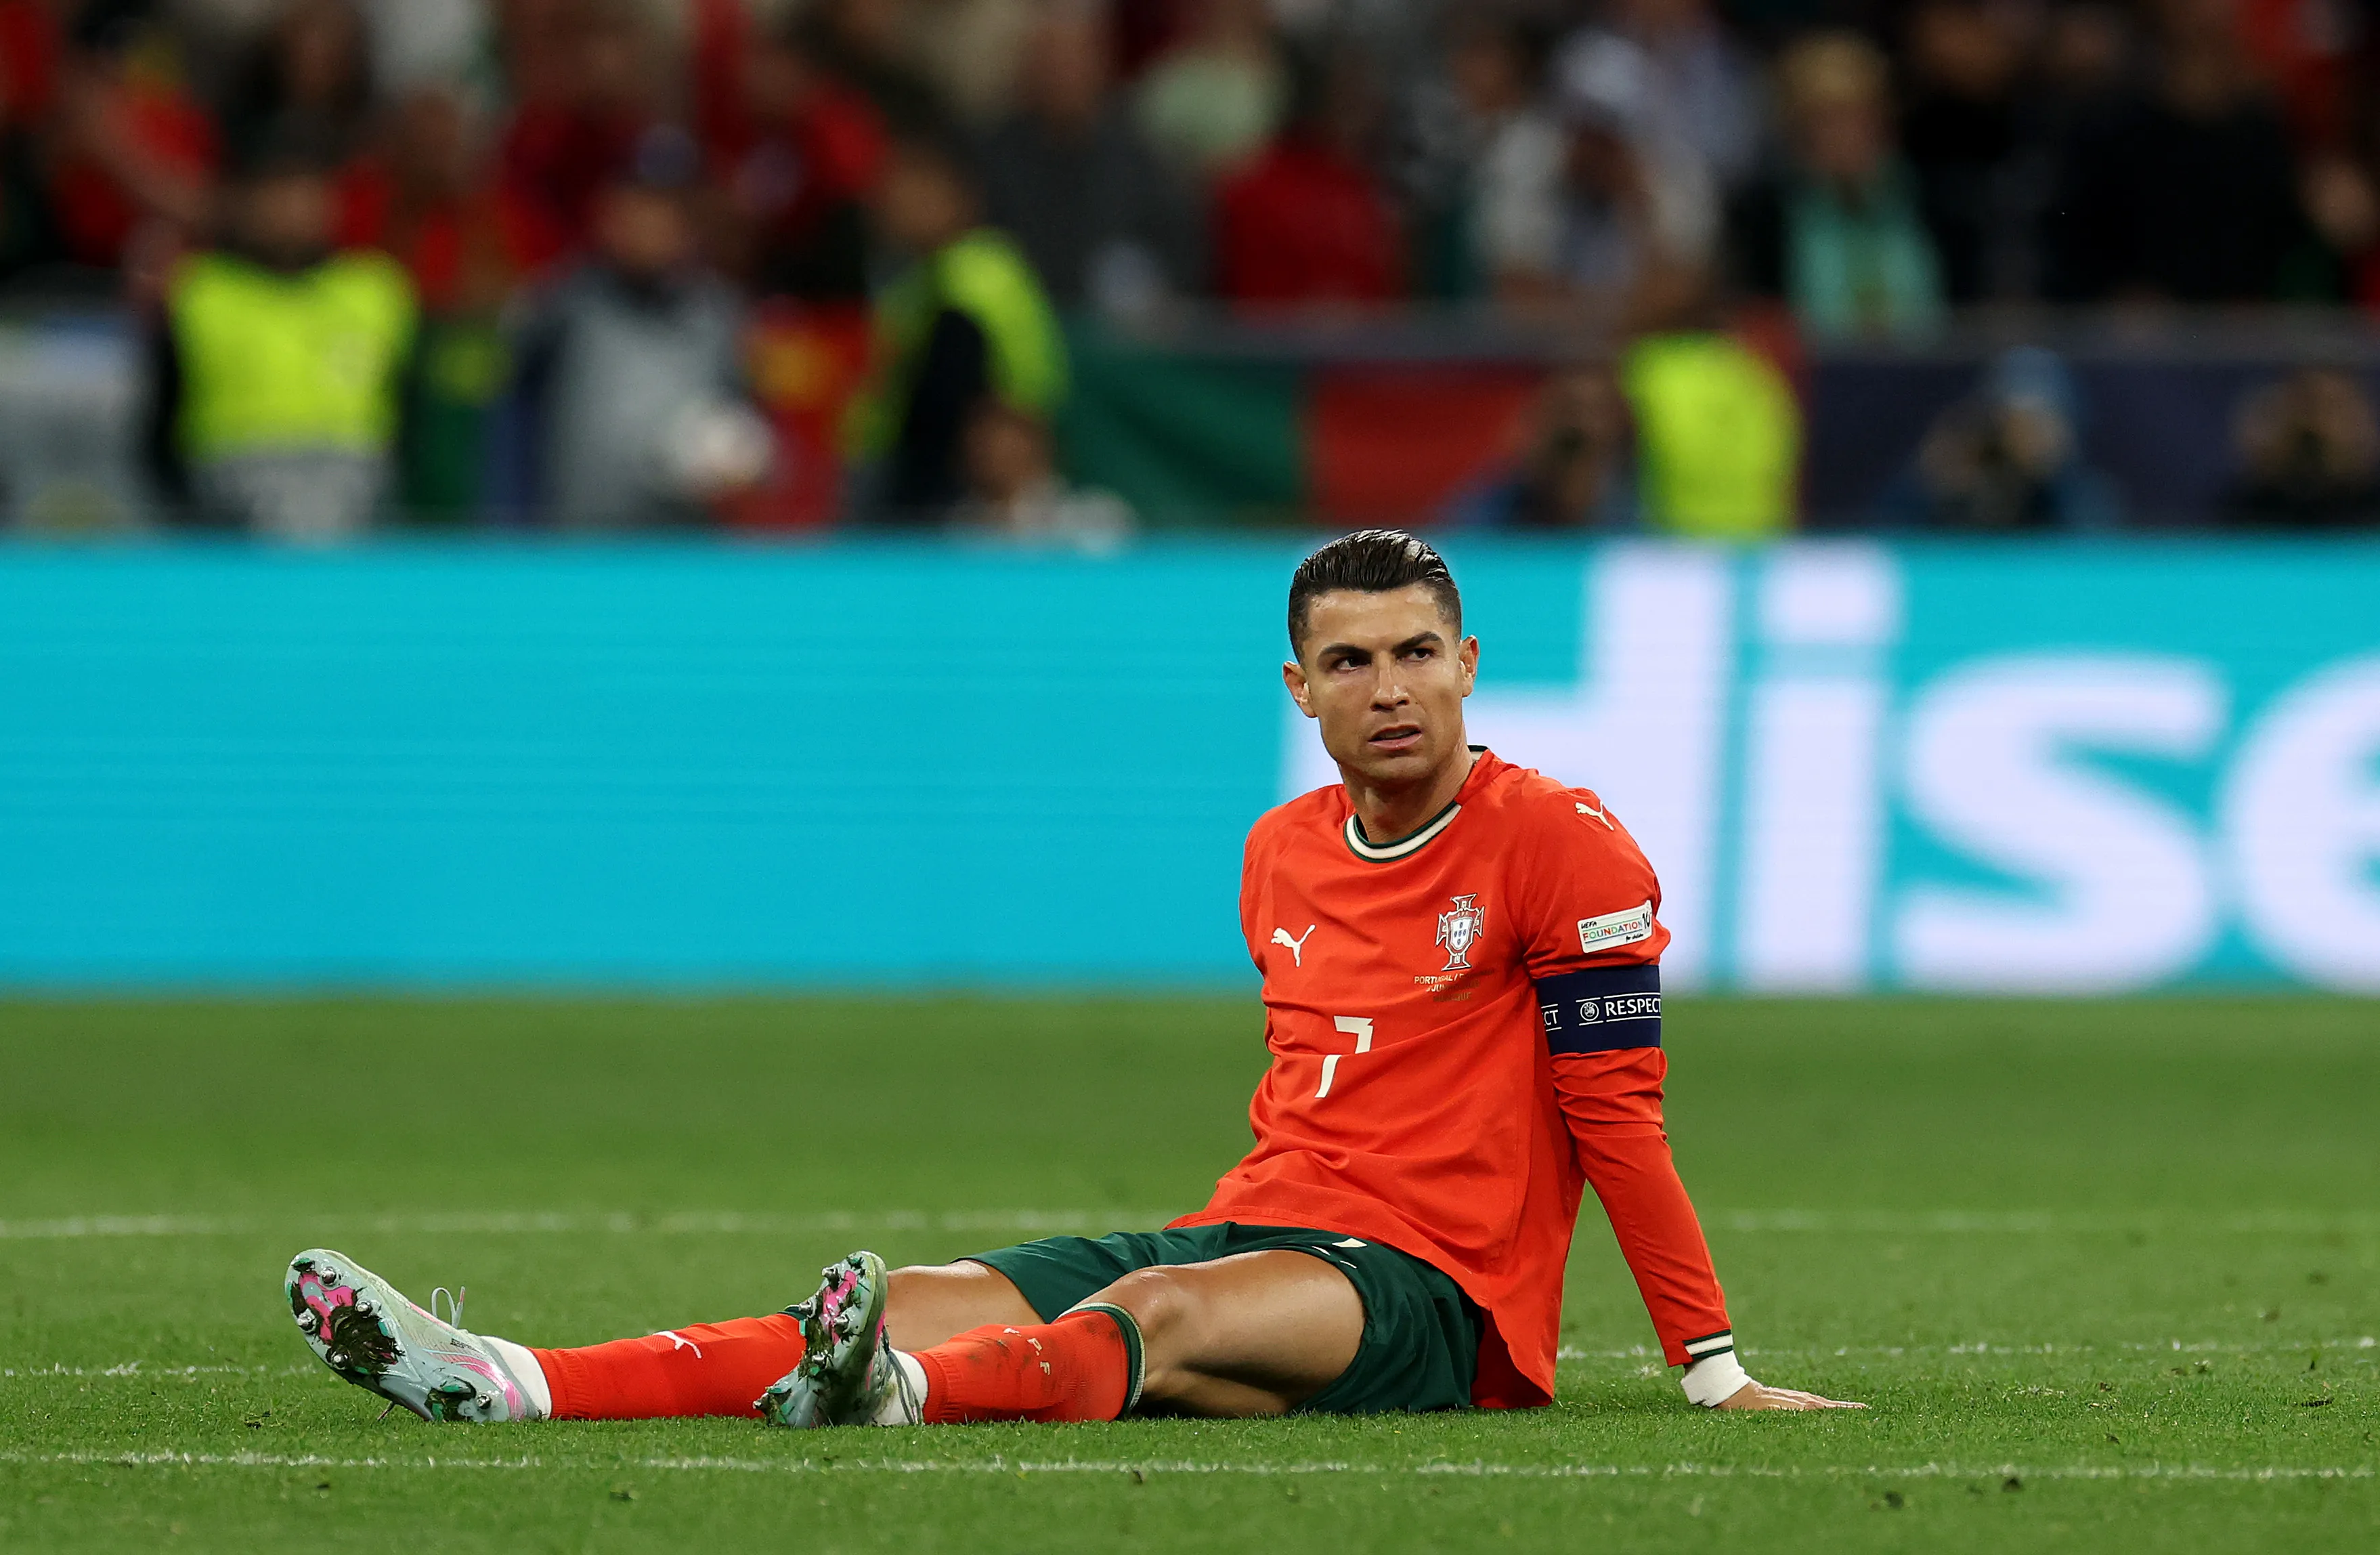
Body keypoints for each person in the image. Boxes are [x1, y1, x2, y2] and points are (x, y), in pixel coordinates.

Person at [282, 530, 1863, 1427]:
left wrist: (1711, 1371)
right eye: (1352, 662)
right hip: (1260, 1220)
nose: (1389, 689)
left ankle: (897, 1398)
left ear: (1466, 661)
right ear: (1298, 686)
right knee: (912, 1287)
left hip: (1435, 1295)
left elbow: (1619, 1121)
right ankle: (515, 1380)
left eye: (1416, 653)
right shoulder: (1282, 850)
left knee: (1152, 1309)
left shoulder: (1566, 846)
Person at [505, 131, 762, 530]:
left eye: (664, 211)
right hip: (580, 552)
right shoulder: (563, 309)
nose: (647, 224)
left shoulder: (719, 317)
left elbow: (746, 432)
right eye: (635, 208)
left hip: (681, 552)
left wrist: (738, 465)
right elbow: (510, 424)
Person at [154, 151, 416, 538]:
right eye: (275, 197)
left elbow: (413, 411)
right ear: (244, 204)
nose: (289, 213)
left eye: (305, 197)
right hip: (227, 493)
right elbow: (161, 414)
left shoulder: (376, 290)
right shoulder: (199, 291)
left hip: (356, 487)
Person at [843, 129, 1066, 517]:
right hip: (913, 485)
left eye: (918, 192)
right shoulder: (913, 284)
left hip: (972, 493)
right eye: (892, 192)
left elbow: (954, 399)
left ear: (960, 198)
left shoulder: (977, 277)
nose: (897, 205)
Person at [1727, 31, 1945, 340]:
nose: (1848, 135)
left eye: (1861, 116)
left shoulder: (1933, 200)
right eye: (1829, 120)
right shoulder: (1761, 217)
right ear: (1796, 129)